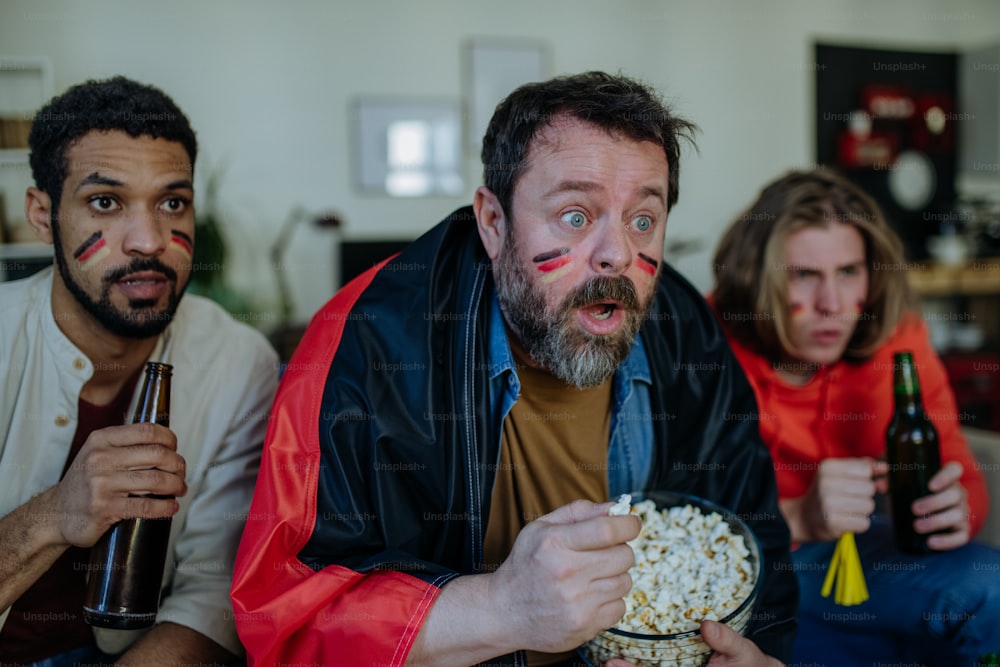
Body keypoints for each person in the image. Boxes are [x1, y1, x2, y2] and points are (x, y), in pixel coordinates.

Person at [231, 71, 797, 667]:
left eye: (642, 219)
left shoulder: (685, 328)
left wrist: (761, 654)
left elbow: (754, 542)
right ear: (493, 223)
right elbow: (285, 620)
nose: (618, 254)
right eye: (575, 216)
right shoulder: (363, 348)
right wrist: (503, 608)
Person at [0, 76, 279, 666]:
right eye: (105, 202)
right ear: (43, 216)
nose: (150, 241)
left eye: (172, 202)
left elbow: (212, 597)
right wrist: (55, 513)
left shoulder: (239, 360)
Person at [710, 167, 1000, 664]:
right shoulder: (705, 341)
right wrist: (799, 517)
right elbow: (681, 524)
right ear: (756, 278)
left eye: (849, 272)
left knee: (989, 586)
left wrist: (957, 510)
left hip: (864, 555)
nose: (833, 305)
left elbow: (961, 473)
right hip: (746, 573)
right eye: (804, 276)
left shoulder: (896, 338)